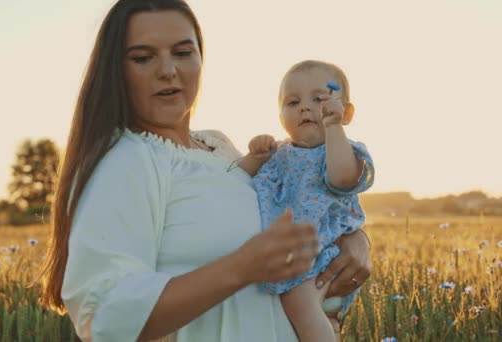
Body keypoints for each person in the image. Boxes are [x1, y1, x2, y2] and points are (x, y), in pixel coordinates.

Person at [38, 1, 372, 341]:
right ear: (116, 70)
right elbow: (105, 313)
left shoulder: (218, 146)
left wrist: (354, 239)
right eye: (143, 57)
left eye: (183, 52)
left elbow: (300, 199)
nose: (168, 70)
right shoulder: (126, 161)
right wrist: (243, 267)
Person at [237, 60, 374, 341]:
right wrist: (253, 158)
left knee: (299, 303)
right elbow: (235, 185)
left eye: (319, 99)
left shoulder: (339, 150)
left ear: (345, 112)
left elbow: (341, 179)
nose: (305, 107)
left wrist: (333, 127)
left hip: (323, 255)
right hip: (289, 260)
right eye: (292, 102)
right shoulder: (279, 155)